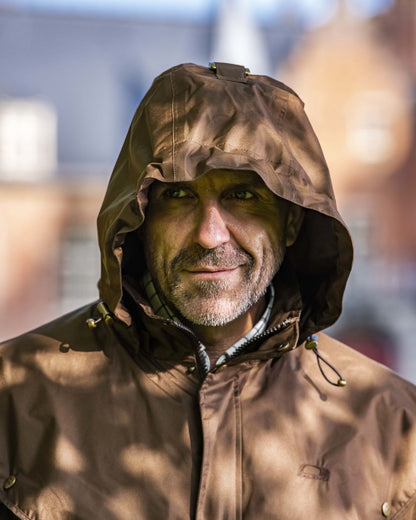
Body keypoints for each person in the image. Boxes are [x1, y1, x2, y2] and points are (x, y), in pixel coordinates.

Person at [0, 62, 415, 520]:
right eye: (178, 196)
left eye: (243, 196)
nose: (210, 235)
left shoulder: (396, 427)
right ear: (138, 219)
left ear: (292, 221)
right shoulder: (14, 395)